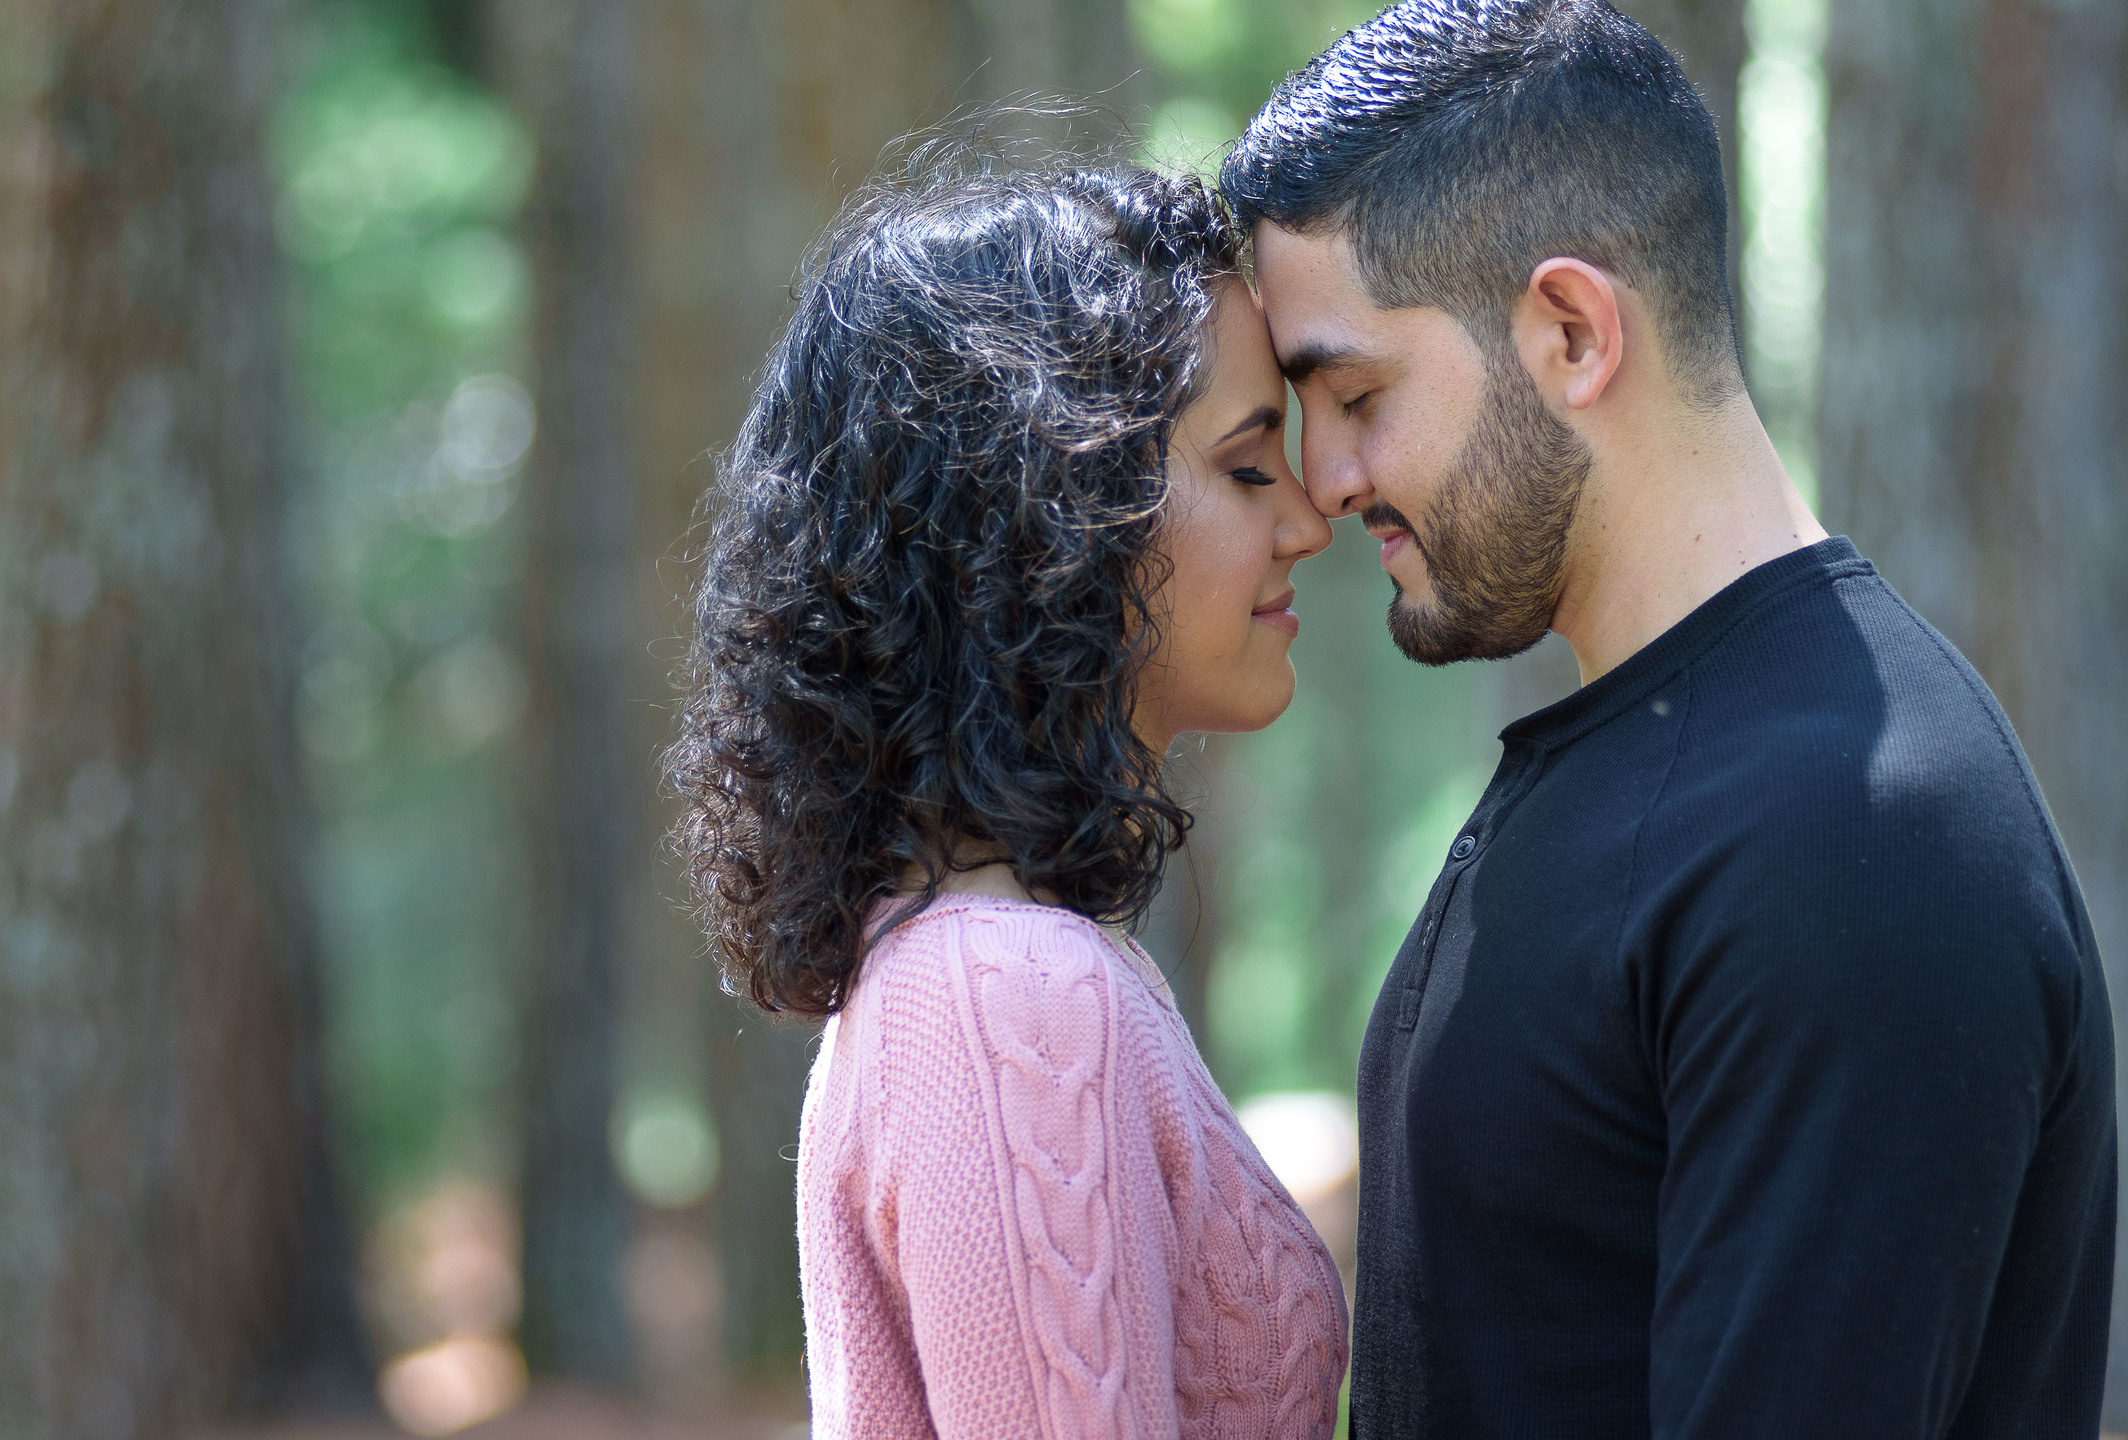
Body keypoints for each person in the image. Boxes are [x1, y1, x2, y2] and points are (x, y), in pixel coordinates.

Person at [1220, 2, 2117, 1436]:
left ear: (1572, 332)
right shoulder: (1665, 767)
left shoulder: (1852, 834)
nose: (1324, 481)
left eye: (1355, 393)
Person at [669, 152, 1348, 1437]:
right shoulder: (1008, 998)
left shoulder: (966, 966)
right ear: (1059, 517)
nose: (1309, 521)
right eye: (1249, 467)